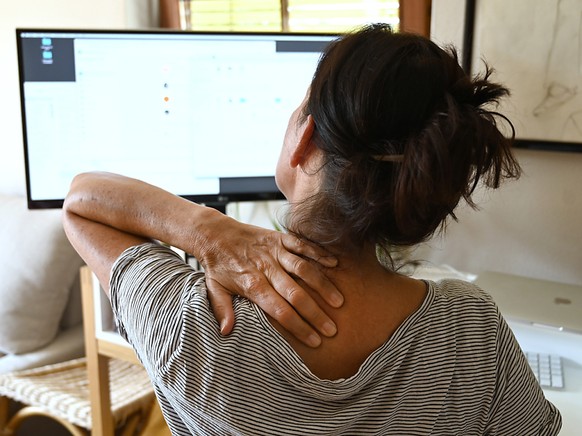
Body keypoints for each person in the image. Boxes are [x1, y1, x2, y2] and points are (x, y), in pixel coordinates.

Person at [63, 24, 561, 435]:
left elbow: (81, 203)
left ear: (306, 137)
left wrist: (207, 232)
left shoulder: (197, 324)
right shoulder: (472, 331)